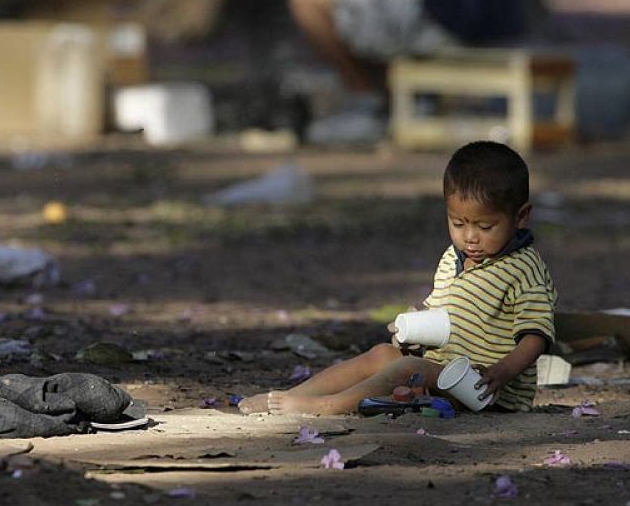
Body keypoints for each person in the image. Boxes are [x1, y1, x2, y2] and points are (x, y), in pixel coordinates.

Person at [239, 141, 557, 415]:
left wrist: (501, 372)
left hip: (485, 390)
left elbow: (536, 336)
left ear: (521, 216)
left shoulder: (523, 268)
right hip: (441, 372)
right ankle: (296, 395)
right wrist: (414, 331)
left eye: (485, 227)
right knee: (383, 354)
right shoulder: (453, 258)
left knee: (408, 368)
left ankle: (328, 408)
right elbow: (444, 319)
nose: (470, 237)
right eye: (458, 223)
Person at [288, 0, 528, 142]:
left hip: (449, 20)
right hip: (494, 20)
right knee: (367, 2)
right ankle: (411, 100)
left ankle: (371, 105)